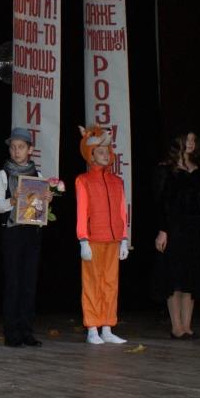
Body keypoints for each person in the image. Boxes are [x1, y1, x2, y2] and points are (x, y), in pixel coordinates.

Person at [152, 132, 200, 339]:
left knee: (191, 277)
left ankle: (187, 325)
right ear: (178, 142)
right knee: (175, 278)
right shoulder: (166, 169)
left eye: (193, 140)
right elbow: (161, 202)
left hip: (197, 229)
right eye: (187, 139)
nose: (191, 143)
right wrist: (163, 230)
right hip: (175, 230)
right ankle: (176, 326)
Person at [0, 127, 52, 347]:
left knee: (29, 284)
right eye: (13, 147)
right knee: (13, 283)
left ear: (30, 150)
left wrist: (47, 200)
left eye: (21, 147)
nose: (16, 151)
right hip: (12, 233)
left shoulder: (38, 176)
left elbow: (39, 209)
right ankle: (12, 333)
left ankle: (27, 332)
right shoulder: (3, 175)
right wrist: (13, 201)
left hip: (32, 233)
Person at [75, 125, 130, 345]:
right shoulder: (83, 180)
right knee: (92, 284)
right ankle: (92, 328)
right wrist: (83, 240)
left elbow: (122, 212)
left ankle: (107, 327)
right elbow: (82, 211)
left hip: (113, 239)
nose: (105, 155)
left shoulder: (117, 181)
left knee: (110, 283)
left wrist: (124, 239)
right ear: (91, 155)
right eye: (100, 151)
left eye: (107, 151)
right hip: (93, 239)